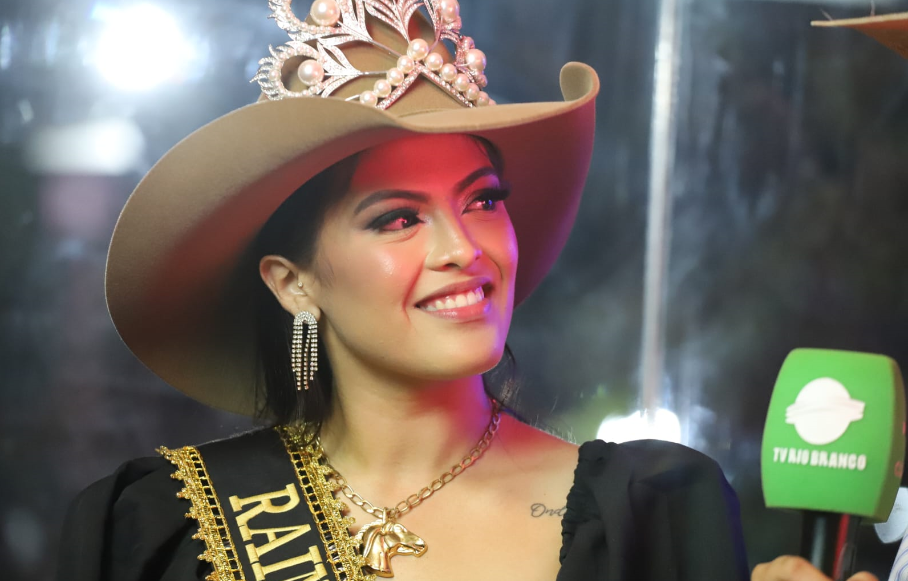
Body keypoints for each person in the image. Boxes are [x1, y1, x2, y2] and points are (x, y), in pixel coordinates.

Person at [55, 1, 883, 580]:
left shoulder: (653, 511)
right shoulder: (157, 525)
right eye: (397, 219)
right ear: (294, 281)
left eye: (483, 200)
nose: (464, 249)